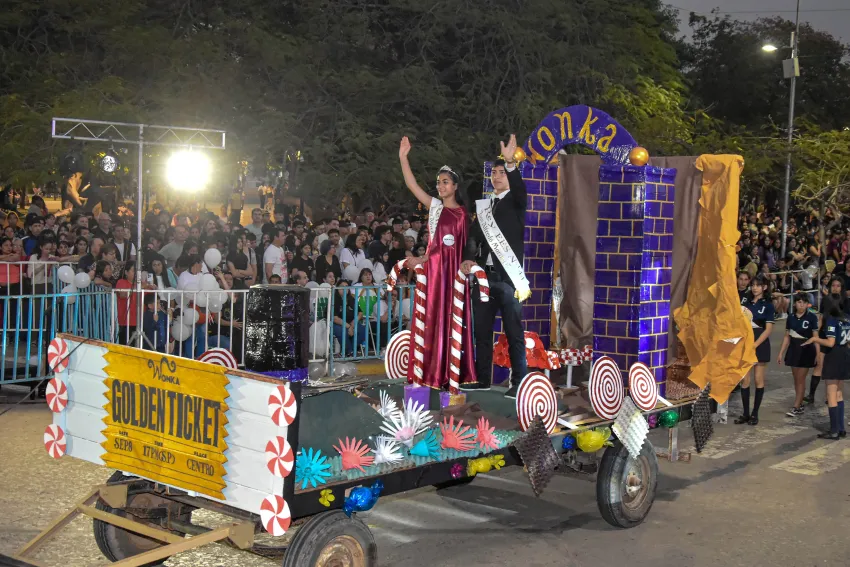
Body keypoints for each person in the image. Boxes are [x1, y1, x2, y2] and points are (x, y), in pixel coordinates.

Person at [397, 135, 475, 390]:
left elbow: (465, 247)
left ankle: (450, 375)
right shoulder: (435, 208)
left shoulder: (463, 214)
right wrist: (403, 158)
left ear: (455, 186)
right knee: (430, 321)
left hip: (452, 277)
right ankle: (429, 373)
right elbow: (412, 185)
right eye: (438, 182)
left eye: (445, 182)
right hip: (433, 275)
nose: (440, 186)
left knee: (450, 322)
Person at [462, 135, 528, 397]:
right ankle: (483, 379)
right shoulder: (485, 207)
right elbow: (474, 237)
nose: (498, 176)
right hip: (484, 278)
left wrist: (511, 164)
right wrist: (469, 258)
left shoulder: (516, 201)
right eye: (495, 172)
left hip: (508, 278)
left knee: (514, 333)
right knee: (482, 332)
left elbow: (520, 189)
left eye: (502, 172)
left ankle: (519, 383)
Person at [803, 306, 850, 439]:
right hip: (845, 354)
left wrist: (814, 339)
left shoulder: (831, 319)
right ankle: (841, 428)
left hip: (834, 356)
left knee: (831, 395)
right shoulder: (847, 318)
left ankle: (834, 430)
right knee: (839, 393)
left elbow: (830, 342)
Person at [736, 274, 775, 426]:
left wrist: (755, 344)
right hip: (745, 343)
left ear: (764, 287)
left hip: (760, 344)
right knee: (744, 380)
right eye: (753, 285)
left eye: (758, 285)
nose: (754, 287)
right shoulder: (745, 301)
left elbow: (768, 329)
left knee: (758, 380)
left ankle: (755, 414)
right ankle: (745, 413)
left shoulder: (768, 305)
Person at [778, 293, 819, 417]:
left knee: (800, 379)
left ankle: (796, 406)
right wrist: (781, 353)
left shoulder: (812, 317)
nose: (801, 305)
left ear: (807, 304)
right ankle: (800, 403)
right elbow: (787, 337)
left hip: (806, 350)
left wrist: (818, 355)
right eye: (799, 302)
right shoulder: (790, 317)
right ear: (795, 304)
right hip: (793, 349)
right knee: (796, 379)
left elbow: (815, 337)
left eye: (804, 302)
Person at [115, 262, 138, 345]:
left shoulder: (141, 284)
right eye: (133, 270)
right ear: (126, 272)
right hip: (125, 321)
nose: (136, 273)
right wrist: (138, 287)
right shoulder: (121, 282)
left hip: (138, 321)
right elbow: (122, 295)